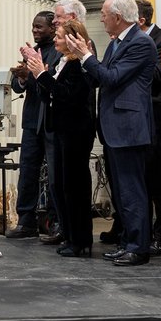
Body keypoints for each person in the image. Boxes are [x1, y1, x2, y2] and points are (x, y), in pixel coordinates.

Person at [64, 0, 156, 266]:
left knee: (132, 191)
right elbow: (99, 78)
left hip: (128, 129)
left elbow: (111, 78)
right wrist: (82, 61)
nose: (101, 17)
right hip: (114, 128)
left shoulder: (140, 43)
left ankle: (138, 248)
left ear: (117, 17)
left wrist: (86, 56)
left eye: (104, 13)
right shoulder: (117, 43)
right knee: (121, 192)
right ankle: (128, 242)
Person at [26, 19, 96, 256]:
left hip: (76, 131)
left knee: (75, 188)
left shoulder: (79, 66)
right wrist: (39, 74)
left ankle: (80, 240)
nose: (54, 39)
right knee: (66, 186)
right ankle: (71, 236)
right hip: (64, 129)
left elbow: (67, 95)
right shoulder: (64, 64)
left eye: (58, 36)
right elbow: (52, 97)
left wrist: (42, 75)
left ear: (70, 39)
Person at [6, 11, 58, 239]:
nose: (35, 31)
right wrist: (22, 77)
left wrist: (34, 74)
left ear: (53, 29)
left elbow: (53, 83)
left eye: (40, 27)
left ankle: (56, 221)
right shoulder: (31, 52)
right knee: (27, 171)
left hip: (52, 120)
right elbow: (17, 88)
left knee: (56, 175)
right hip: (31, 121)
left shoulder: (58, 52)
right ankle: (25, 221)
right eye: (33, 27)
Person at [136, 0, 161, 255]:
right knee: (137, 180)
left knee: (158, 180)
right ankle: (138, 233)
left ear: (139, 19)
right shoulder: (124, 42)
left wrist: (136, 58)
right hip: (133, 120)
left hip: (155, 118)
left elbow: (158, 75)